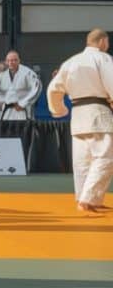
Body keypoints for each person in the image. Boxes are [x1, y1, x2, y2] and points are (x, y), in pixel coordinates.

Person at [46, 29, 113, 213]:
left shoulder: (70, 62)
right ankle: (88, 198)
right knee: (105, 157)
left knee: (83, 161)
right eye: (107, 42)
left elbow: (53, 88)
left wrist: (59, 110)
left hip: (77, 115)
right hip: (98, 112)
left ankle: (88, 200)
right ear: (102, 41)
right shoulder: (103, 59)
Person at [0, 50, 41, 120]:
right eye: (9, 60)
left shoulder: (27, 72)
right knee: (6, 130)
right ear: (6, 62)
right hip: (6, 111)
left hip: (22, 110)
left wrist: (23, 103)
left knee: (24, 130)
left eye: (14, 60)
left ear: (19, 61)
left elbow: (37, 88)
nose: (11, 62)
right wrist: (0, 102)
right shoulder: (2, 75)